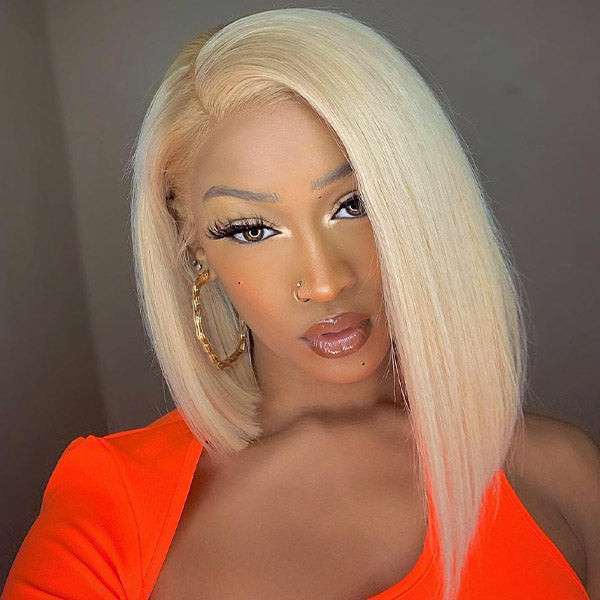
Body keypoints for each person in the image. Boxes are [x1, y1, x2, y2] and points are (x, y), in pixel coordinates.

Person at [2, 8, 598, 600]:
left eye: (354, 204)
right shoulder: (110, 508)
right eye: (252, 229)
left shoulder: (563, 477)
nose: (324, 282)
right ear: (193, 243)